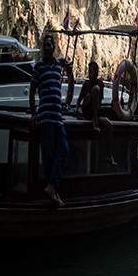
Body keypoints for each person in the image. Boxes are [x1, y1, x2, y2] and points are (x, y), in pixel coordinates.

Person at [29, 32, 69, 207]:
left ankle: (52, 186)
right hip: (45, 117)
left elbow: (70, 78)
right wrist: (33, 113)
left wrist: (70, 69)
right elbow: (31, 91)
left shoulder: (58, 67)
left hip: (58, 117)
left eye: (49, 45)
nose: (46, 48)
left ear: (53, 47)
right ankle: (53, 192)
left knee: (64, 150)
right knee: (48, 157)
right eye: (44, 45)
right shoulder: (38, 67)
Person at [75, 60, 115, 165]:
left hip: (95, 111)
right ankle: (95, 122)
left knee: (110, 125)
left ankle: (109, 155)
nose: (90, 74)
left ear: (96, 73)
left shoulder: (100, 84)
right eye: (89, 72)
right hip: (87, 110)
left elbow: (99, 102)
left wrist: (97, 112)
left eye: (92, 72)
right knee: (95, 89)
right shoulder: (86, 84)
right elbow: (79, 99)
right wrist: (76, 108)